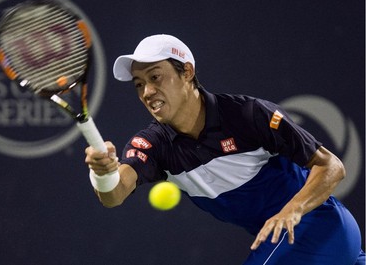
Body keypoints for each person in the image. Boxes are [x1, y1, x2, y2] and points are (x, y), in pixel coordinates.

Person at [84, 34, 365, 264]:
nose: (147, 92)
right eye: (139, 84)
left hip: (318, 227)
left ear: (187, 72)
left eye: (155, 77)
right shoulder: (153, 145)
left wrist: (291, 210)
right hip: (289, 242)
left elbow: (332, 167)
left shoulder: (249, 115)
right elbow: (114, 195)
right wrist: (103, 173)